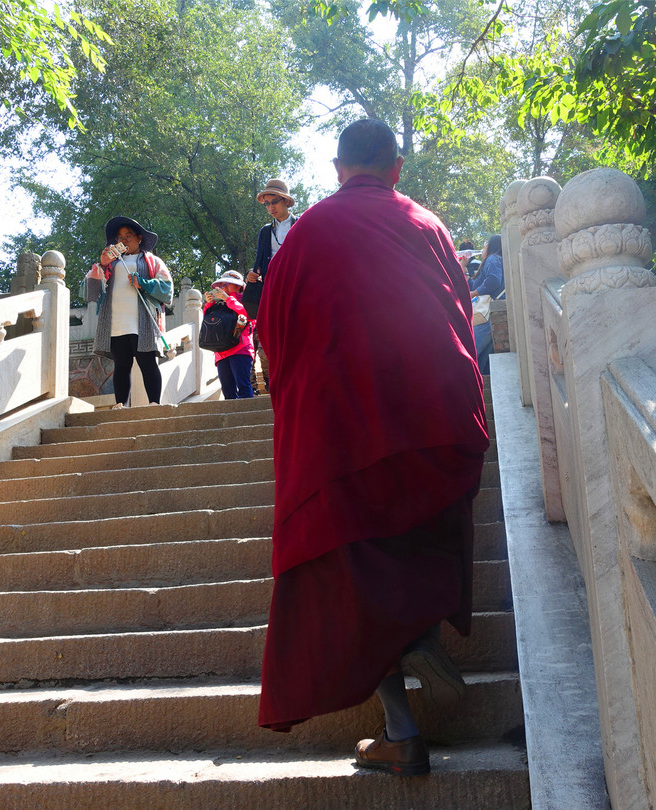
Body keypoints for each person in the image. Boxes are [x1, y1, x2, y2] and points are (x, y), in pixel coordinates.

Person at [256, 119, 489, 777]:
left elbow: (273, 331)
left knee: (348, 561)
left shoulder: (305, 234)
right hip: (439, 420)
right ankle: (415, 633)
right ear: (397, 166)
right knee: (410, 537)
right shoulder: (430, 226)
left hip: (345, 428)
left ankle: (402, 726)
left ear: (337, 169)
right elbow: (460, 317)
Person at [86, 216, 173, 408]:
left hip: (142, 320)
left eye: (128, 235)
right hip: (116, 320)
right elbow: (90, 291)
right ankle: (120, 404)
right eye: (120, 237)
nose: (123, 240)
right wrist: (102, 264)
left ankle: (154, 403)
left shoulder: (152, 261)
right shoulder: (110, 262)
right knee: (121, 365)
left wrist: (143, 284)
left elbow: (167, 289)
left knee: (147, 361)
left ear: (139, 238)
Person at [244, 178, 297, 392]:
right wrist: (251, 274)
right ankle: (279, 380)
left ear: (285, 201)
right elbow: (258, 263)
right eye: (267, 203)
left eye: (274, 201)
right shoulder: (266, 231)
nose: (270, 207)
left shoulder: (300, 224)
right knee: (274, 336)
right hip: (271, 288)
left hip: (295, 287)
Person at [203, 270, 255, 399]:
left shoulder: (246, 301)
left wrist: (228, 299)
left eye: (227, 284)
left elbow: (248, 316)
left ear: (239, 286)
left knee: (243, 386)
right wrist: (209, 304)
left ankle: (248, 416)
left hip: (241, 348)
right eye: (221, 284)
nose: (223, 287)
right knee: (228, 391)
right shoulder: (217, 304)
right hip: (221, 352)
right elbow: (207, 322)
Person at [469, 234, 504, 375]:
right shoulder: (493, 261)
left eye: (486, 244)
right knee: (482, 359)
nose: (483, 247)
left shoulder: (493, 259)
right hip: (490, 315)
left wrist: (474, 294)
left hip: (486, 315)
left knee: (472, 351)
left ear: (492, 246)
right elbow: (474, 285)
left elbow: (493, 281)